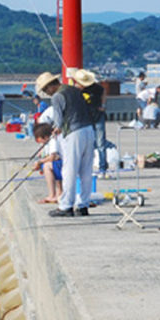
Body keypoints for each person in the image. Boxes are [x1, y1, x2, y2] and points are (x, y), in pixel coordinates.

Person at [48, 68, 99, 217]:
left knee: (69, 169)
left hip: (74, 132)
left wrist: (56, 129)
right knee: (86, 170)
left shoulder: (57, 96)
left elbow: (58, 120)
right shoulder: (75, 90)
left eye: (46, 89)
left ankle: (66, 206)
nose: (47, 93)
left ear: (52, 85)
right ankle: (83, 205)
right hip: (89, 130)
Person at [31, 122, 63, 204]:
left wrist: (39, 162)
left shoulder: (53, 141)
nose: (38, 141)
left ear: (45, 137)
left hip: (65, 164)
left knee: (47, 166)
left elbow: (53, 157)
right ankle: (60, 193)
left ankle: (52, 195)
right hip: (62, 163)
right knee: (49, 165)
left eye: (38, 139)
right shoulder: (49, 142)